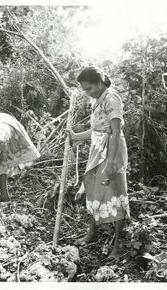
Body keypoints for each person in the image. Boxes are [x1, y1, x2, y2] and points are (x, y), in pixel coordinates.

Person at [67, 67, 130, 257]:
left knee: (114, 192)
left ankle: (118, 244)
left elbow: (115, 132)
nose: (88, 93)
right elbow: (97, 130)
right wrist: (75, 136)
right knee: (93, 189)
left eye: (89, 89)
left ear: (100, 82)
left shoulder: (111, 98)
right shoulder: (98, 100)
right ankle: (92, 233)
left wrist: (111, 163)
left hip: (111, 152)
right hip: (97, 150)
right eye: (84, 90)